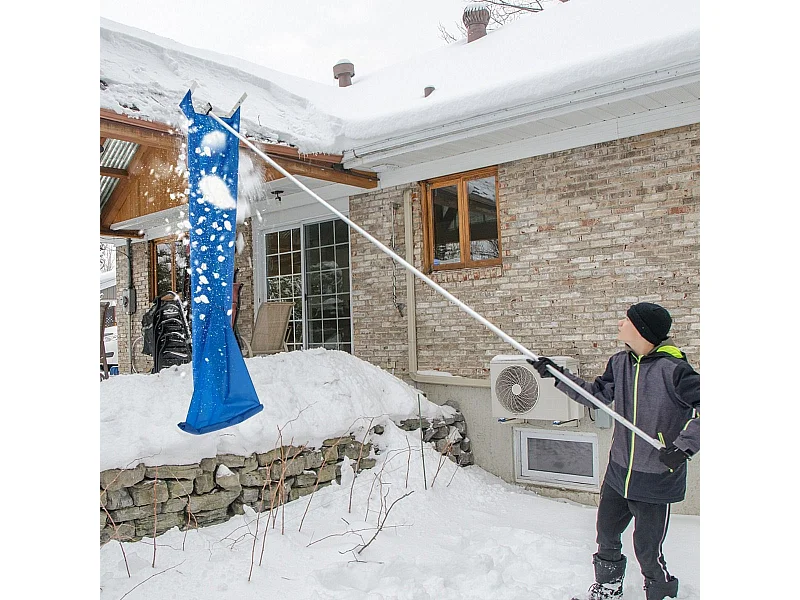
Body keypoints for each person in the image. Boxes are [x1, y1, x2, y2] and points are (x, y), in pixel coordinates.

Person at [529, 302, 699, 600]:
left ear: (643, 331)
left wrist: (683, 448)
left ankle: (662, 593)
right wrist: (558, 375)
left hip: (655, 476)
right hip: (619, 472)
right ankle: (607, 588)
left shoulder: (675, 371)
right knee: (606, 536)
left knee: (647, 549)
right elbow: (595, 396)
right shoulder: (620, 362)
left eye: (627, 320)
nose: (620, 324)